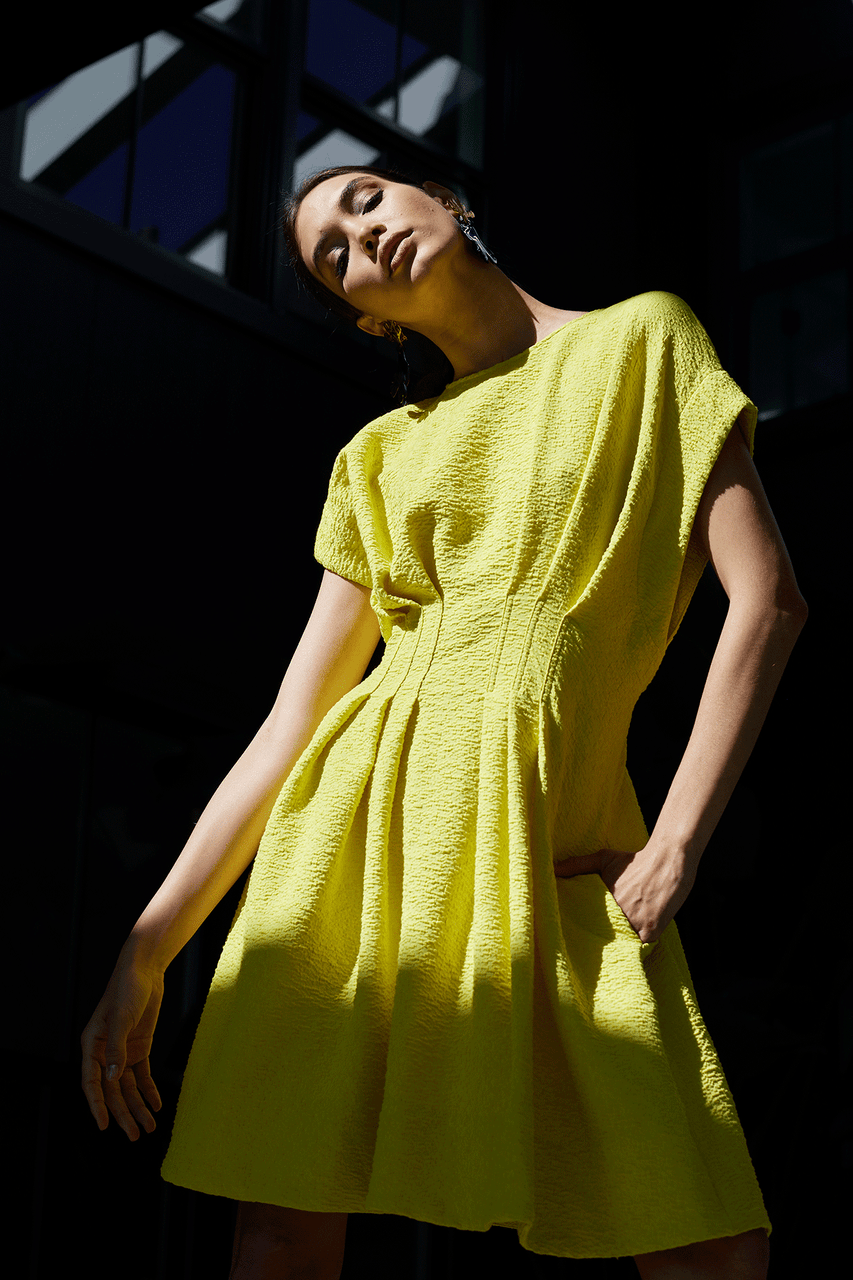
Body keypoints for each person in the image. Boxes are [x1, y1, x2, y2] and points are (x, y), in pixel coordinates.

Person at [81, 165, 807, 1279]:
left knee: (704, 1232)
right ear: (368, 317)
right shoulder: (379, 453)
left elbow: (769, 602)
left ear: (441, 199)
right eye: (334, 256)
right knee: (283, 1220)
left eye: (366, 201)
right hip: (355, 838)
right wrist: (149, 945)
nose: (361, 237)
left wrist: (675, 845)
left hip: (549, 833)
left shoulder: (642, 340)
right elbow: (293, 718)